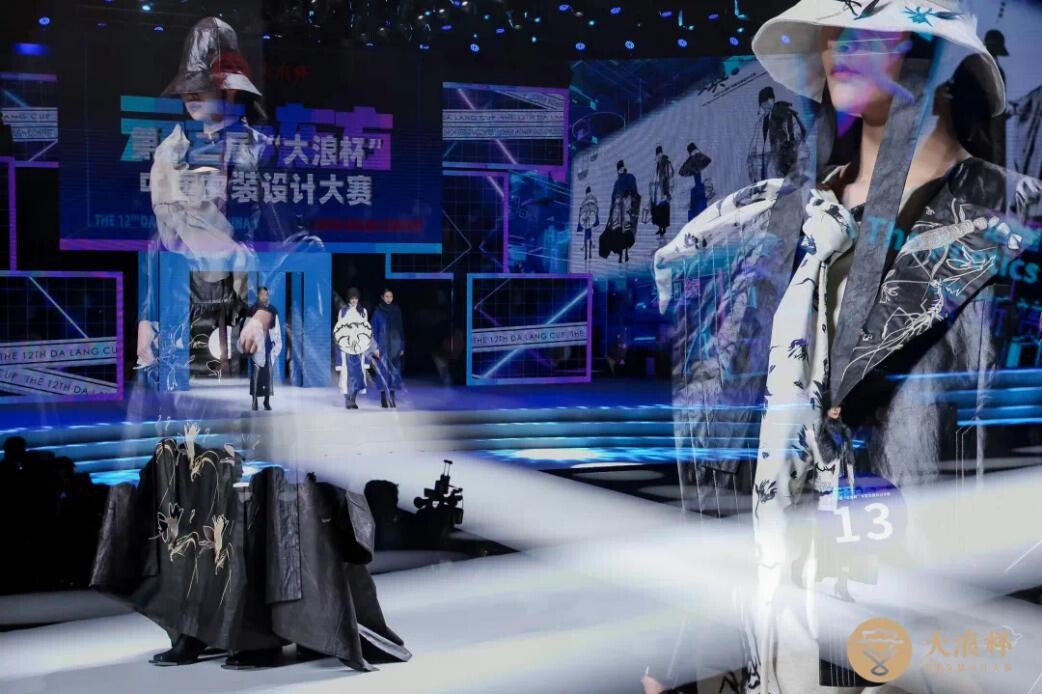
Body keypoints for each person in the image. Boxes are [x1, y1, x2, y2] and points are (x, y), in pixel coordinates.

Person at [655, 0, 1041, 690]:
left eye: (872, 30)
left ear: (937, 53)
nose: (840, 46)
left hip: (936, 629)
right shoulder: (775, 223)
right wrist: (688, 643)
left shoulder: (1016, 224)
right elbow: (722, 434)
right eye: (832, 31)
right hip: (778, 620)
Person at [335, 288, 392, 409]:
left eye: (356, 298)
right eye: (352, 298)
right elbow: (340, 330)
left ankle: (353, 400)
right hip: (347, 346)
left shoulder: (363, 311)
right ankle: (348, 400)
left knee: (358, 375)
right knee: (346, 374)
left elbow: (366, 331)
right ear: (349, 299)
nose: (354, 300)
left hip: (359, 347)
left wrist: (369, 347)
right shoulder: (343, 311)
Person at [747, 85, 807, 183]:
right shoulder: (760, 124)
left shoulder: (785, 114)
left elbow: (798, 137)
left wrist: (796, 162)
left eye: (768, 101)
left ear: (773, 100)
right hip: (767, 173)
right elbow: (753, 149)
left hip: (785, 166)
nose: (766, 105)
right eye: (763, 103)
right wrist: (753, 170)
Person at [239, 286, 282, 411]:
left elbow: (276, 328)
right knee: (255, 374)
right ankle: (254, 401)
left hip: (267, 345)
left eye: (266, 294)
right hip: (256, 346)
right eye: (262, 294)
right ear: (258, 295)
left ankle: (266, 401)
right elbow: (246, 327)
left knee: (268, 374)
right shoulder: (252, 310)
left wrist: (276, 344)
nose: (264, 296)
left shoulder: (273, 310)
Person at [600, 160, 640, 264]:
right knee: (618, 231)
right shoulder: (617, 182)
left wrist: (630, 195)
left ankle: (626, 253)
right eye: (619, 169)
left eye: (621, 168)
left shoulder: (630, 177)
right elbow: (613, 197)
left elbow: (635, 191)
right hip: (617, 210)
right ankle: (620, 254)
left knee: (626, 230)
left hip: (627, 207)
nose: (620, 170)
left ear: (623, 168)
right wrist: (611, 211)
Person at [372, 288, 405, 408]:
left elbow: (400, 329)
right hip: (382, 345)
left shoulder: (396, 310)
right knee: (382, 371)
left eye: (391, 296)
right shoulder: (378, 312)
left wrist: (402, 346)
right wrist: (375, 348)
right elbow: (374, 330)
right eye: (387, 296)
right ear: (382, 297)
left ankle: (392, 397)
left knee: (394, 372)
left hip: (395, 344)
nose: (389, 298)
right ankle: (383, 398)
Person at [677, 142, 712, 221]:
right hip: (703, 189)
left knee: (695, 213)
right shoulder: (703, 157)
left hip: (696, 191)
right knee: (703, 212)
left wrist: (691, 171)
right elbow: (709, 160)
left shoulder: (690, 160)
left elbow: (681, 172)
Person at [651, 145, 675, 238]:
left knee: (664, 210)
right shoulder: (659, 163)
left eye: (659, 154)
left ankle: (663, 229)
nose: (659, 156)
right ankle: (660, 228)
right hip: (659, 189)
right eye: (658, 154)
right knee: (658, 209)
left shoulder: (666, 162)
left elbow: (669, 174)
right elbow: (657, 175)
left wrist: (668, 190)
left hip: (665, 189)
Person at [577, 186, 600, 261]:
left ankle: (587, 254)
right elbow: (596, 207)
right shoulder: (592, 198)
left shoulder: (586, 199)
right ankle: (589, 254)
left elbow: (581, 209)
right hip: (590, 219)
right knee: (589, 236)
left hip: (587, 219)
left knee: (587, 237)